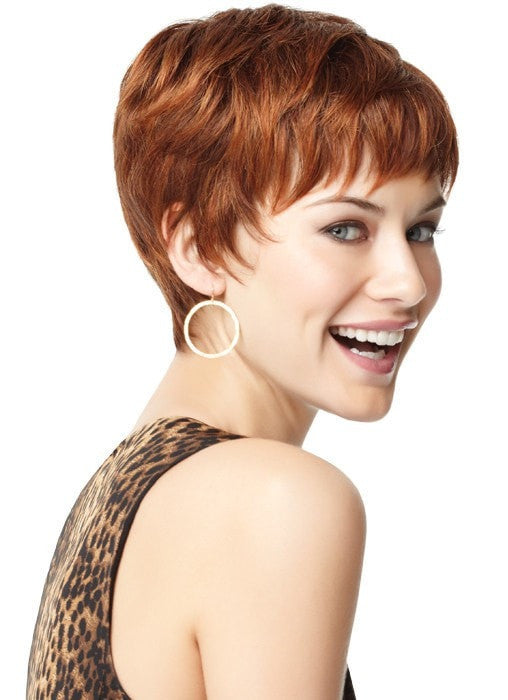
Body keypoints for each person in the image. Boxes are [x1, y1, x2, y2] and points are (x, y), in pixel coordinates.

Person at [26, 4, 459, 698]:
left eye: (422, 231)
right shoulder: (275, 499)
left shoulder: (123, 491)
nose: (408, 283)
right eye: (346, 229)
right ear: (201, 248)